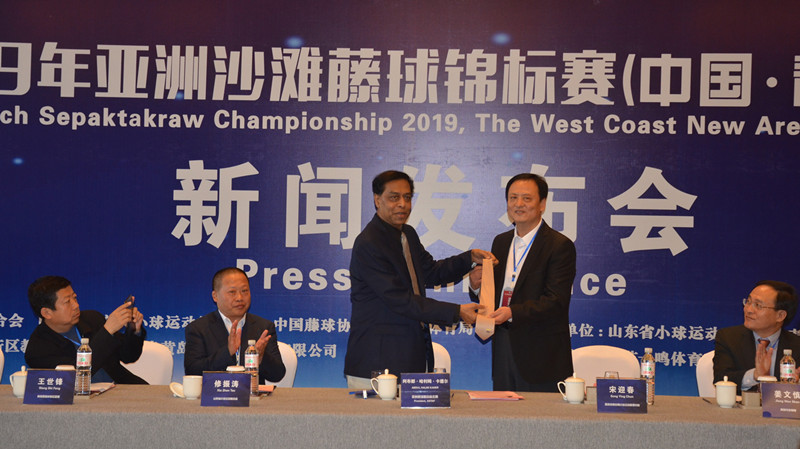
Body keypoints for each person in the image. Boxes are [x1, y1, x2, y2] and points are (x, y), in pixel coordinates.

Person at [344, 170, 496, 389]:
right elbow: (400, 300)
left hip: (410, 356)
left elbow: (431, 272)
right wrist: (456, 312)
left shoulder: (407, 234)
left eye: (407, 197)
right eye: (394, 197)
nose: (402, 204)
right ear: (377, 200)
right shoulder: (369, 243)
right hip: (377, 363)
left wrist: (468, 259)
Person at [470, 173, 576, 392]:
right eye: (513, 198)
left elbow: (556, 301)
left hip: (541, 356)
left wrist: (512, 312)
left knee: (540, 414)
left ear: (542, 204)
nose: (518, 204)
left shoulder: (559, 246)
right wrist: (476, 286)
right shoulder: (500, 242)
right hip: (503, 348)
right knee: (504, 411)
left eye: (527, 198)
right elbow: (493, 293)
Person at [25, 275, 148, 384]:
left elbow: (128, 356)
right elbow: (75, 377)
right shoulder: (37, 349)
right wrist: (107, 331)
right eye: (67, 302)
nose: (76, 305)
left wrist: (134, 331)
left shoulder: (92, 319)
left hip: (121, 388)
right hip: (80, 400)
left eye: (75, 298)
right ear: (47, 313)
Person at [184, 267, 285, 384]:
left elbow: (278, 375)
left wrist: (261, 357)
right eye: (232, 292)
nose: (239, 298)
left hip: (251, 394)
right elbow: (192, 371)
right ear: (215, 296)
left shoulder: (264, 327)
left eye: (244, 291)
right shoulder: (198, 328)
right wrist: (227, 352)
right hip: (216, 394)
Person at [714, 280, 800, 392]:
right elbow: (720, 378)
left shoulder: (797, 346)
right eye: (748, 302)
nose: (748, 310)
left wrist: (795, 386)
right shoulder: (729, 338)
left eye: (758, 305)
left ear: (780, 315)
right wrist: (755, 375)